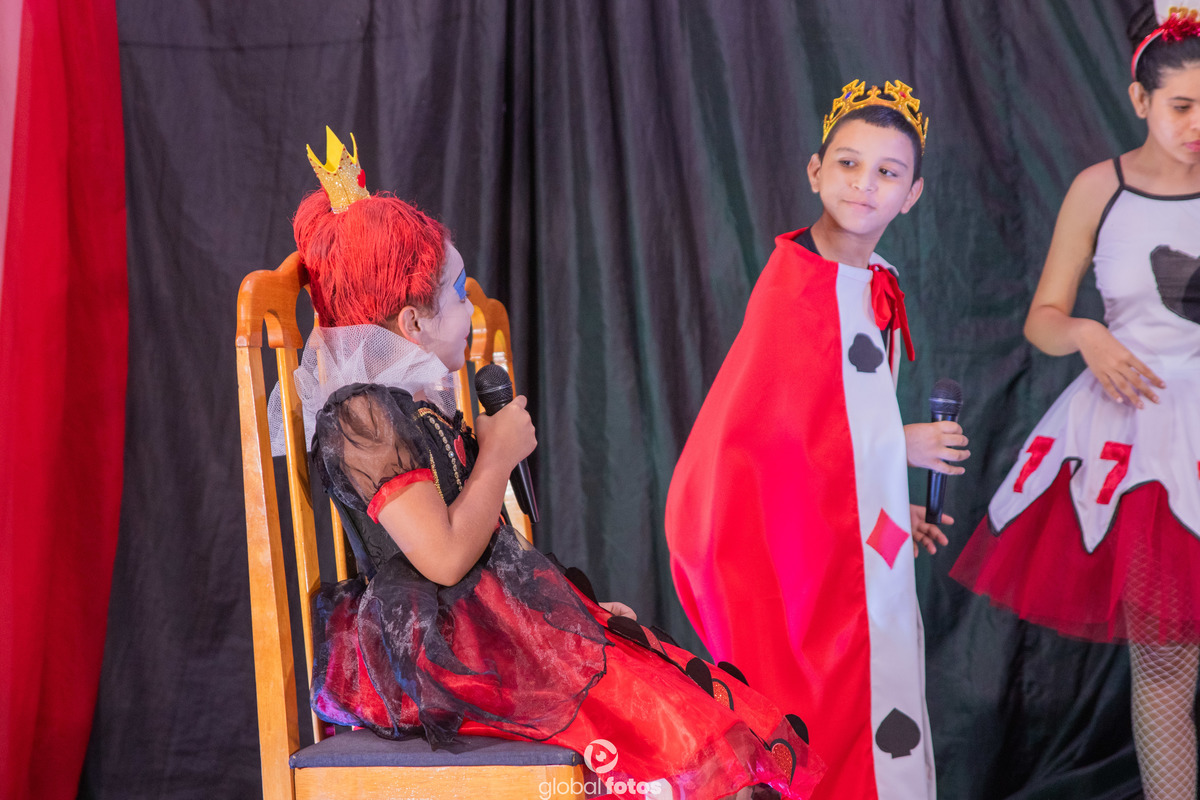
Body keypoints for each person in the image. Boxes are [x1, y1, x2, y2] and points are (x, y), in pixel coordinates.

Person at [284, 127, 825, 800]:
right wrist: (497, 455)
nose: (469, 310)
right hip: (446, 656)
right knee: (660, 729)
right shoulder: (363, 416)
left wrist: (572, 618)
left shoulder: (410, 404)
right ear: (412, 325)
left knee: (678, 693)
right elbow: (446, 559)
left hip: (490, 626)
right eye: (457, 295)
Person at [664, 81, 968, 800]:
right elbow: (774, 441)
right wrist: (901, 445)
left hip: (845, 544)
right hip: (793, 564)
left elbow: (838, 423)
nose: (865, 184)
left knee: (877, 704)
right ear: (815, 171)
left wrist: (886, 502)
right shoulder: (798, 284)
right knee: (824, 713)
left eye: (888, 172)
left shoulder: (874, 280)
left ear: (913, 195)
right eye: (848, 164)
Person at [950, 4, 1200, 797]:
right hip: (1142, 443)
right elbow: (1044, 319)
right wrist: (1089, 335)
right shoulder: (1101, 188)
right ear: (1140, 100)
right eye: (1182, 106)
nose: (1197, 125)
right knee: (1165, 664)